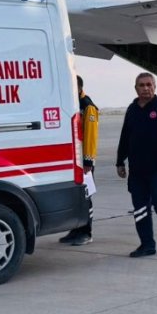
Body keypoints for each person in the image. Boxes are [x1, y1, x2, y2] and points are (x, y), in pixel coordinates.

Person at [116, 72, 157, 257]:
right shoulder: (132, 109)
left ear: (155, 87)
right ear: (136, 88)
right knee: (140, 209)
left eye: (149, 85)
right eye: (142, 85)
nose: (146, 88)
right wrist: (120, 161)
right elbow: (125, 136)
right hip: (137, 171)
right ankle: (147, 245)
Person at [59, 75, 99, 246]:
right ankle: (76, 229)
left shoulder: (87, 107)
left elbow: (90, 137)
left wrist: (88, 162)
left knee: (85, 197)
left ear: (79, 88)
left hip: (84, 162)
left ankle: (86, 232)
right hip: (75, 160)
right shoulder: (74, 105)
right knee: (76, 197)